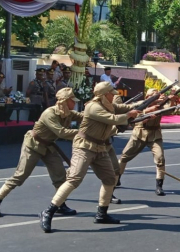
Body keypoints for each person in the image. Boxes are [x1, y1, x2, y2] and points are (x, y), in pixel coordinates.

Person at [38, 82, 142, 233]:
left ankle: (102, 213)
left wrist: (146, 104)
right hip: (84, 146)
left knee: (110, 179)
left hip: (100, 147)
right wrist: (128, 116)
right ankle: (49, 211)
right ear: (104, 94)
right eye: (111, 93)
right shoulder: (93, 107)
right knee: (74, 179)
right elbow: (113, 119)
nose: (113, 95)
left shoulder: (108, 104)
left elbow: (124, 108)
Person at [0, 88, 84, 217]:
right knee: (20, 176)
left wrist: (102, 114)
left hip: (49, 146)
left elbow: (85, 117)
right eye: (72, 101)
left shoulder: (68, 112)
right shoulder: (49, 113)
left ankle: (60, 204)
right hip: (34, 145)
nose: (74, 103)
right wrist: (83, 133)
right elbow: (61, 133)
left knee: (60, 176)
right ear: (65, 101)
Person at [118, 88, 175, 196]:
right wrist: (147, 115)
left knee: (160, 159)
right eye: (154, 96)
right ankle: (117, 178)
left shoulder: (159, 105)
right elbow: (134, 121)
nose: (158, 98)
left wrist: (171, 99)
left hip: (154, 135)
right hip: (139, 134)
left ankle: (159, 186)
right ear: (148, 97)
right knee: (124, 156)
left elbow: (169, 110)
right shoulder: (140, 106)